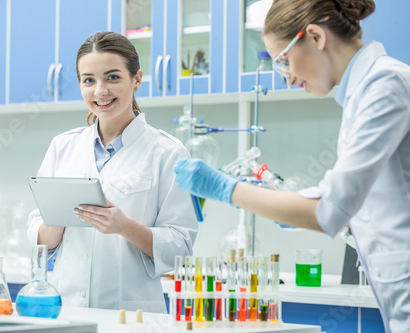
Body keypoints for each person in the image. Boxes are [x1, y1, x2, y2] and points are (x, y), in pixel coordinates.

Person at [173, 0, 410, 331]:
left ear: (315, 36)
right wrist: (293, 202)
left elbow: (330, 211)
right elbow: (375, 203)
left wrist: (227, 189)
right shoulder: (364, 92)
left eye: (283, 61)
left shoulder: (385, 86)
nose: (286, 78)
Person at [27, 31, 198, 313]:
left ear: (137, 79)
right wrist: (57, 218)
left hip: (132, 316)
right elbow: (39, 242)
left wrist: (126, 227)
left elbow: (180, 247)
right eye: (89, 80)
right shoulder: (62, 147)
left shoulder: (169, 153)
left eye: (113, 77)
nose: (100, 91)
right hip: (67, 308)